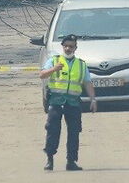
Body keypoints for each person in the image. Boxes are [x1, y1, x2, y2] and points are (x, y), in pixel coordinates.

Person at [38, 34, 97, 171]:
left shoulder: (81, 64)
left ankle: (71, 161)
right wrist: (54, 69)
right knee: (52, 130)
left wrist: (93, 99)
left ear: (75, 48)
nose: (68, 49)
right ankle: (50, 160)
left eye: (71, 46)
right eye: (66, 46)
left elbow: (87, 82)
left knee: (74, 132)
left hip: (73, 102)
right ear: (62, 47)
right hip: (56, 101)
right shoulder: (54, 60)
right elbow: (42, 75)